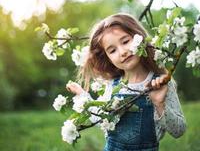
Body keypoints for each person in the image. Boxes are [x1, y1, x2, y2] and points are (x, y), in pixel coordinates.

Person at [66, 13, 186, 151]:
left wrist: (159, 104)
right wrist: (83, 96)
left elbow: (179, 130)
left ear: (139, 38)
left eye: (125, 41)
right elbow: (101, 118)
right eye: (112, 50)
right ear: (108, 58)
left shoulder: (161, 84)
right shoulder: (113, 85)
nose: (122, 52)